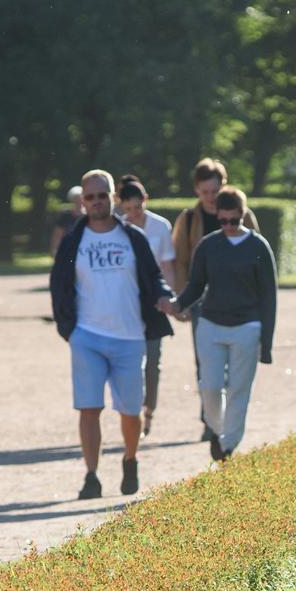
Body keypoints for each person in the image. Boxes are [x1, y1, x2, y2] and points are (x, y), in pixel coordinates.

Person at [49, 169, 173, 498]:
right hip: (87, 336)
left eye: (102, 195)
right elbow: (58, 284)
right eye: (90, 197)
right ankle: (91, 476)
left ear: (113, 198)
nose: (96, 201)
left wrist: (164, 297)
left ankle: (130, 460)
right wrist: (69, 329)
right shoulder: (74, 241)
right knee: (89, 408)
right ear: (82, 202)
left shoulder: (133, 238)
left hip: (130, 338)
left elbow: (154, 277)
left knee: (130, 411)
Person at [168, 185, 276, 461]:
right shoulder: (208, 246)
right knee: (210, 387)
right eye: (223, 220)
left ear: (243, 214)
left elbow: (268, 298)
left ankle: (228, 445)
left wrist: (267, 345)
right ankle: (217, 430)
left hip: (247, 327)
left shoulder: (258, 247)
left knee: (239, 389)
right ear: (218, 216)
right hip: (211, 324)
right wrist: (177, 304)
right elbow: (196, 285)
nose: (228, 226)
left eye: (234, 220)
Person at [117, 176, 175, 435]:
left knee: (152, 362)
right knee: (129, 361)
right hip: (126, 303)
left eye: (136, 208)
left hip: (153, 303)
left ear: (145, 201)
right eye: (127, 209)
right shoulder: (117, 229)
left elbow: (168, 266)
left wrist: (173, 299)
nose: (132, 214)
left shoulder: (160, 227)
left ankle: (149, 409)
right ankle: (132, 413)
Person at [49, 185, 85, 257]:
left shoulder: (89, 216)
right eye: (76, 199)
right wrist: (54, 249)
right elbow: (57, 234)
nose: (79, 201)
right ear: (72, 200)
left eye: (81, 198)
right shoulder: (65, 216)